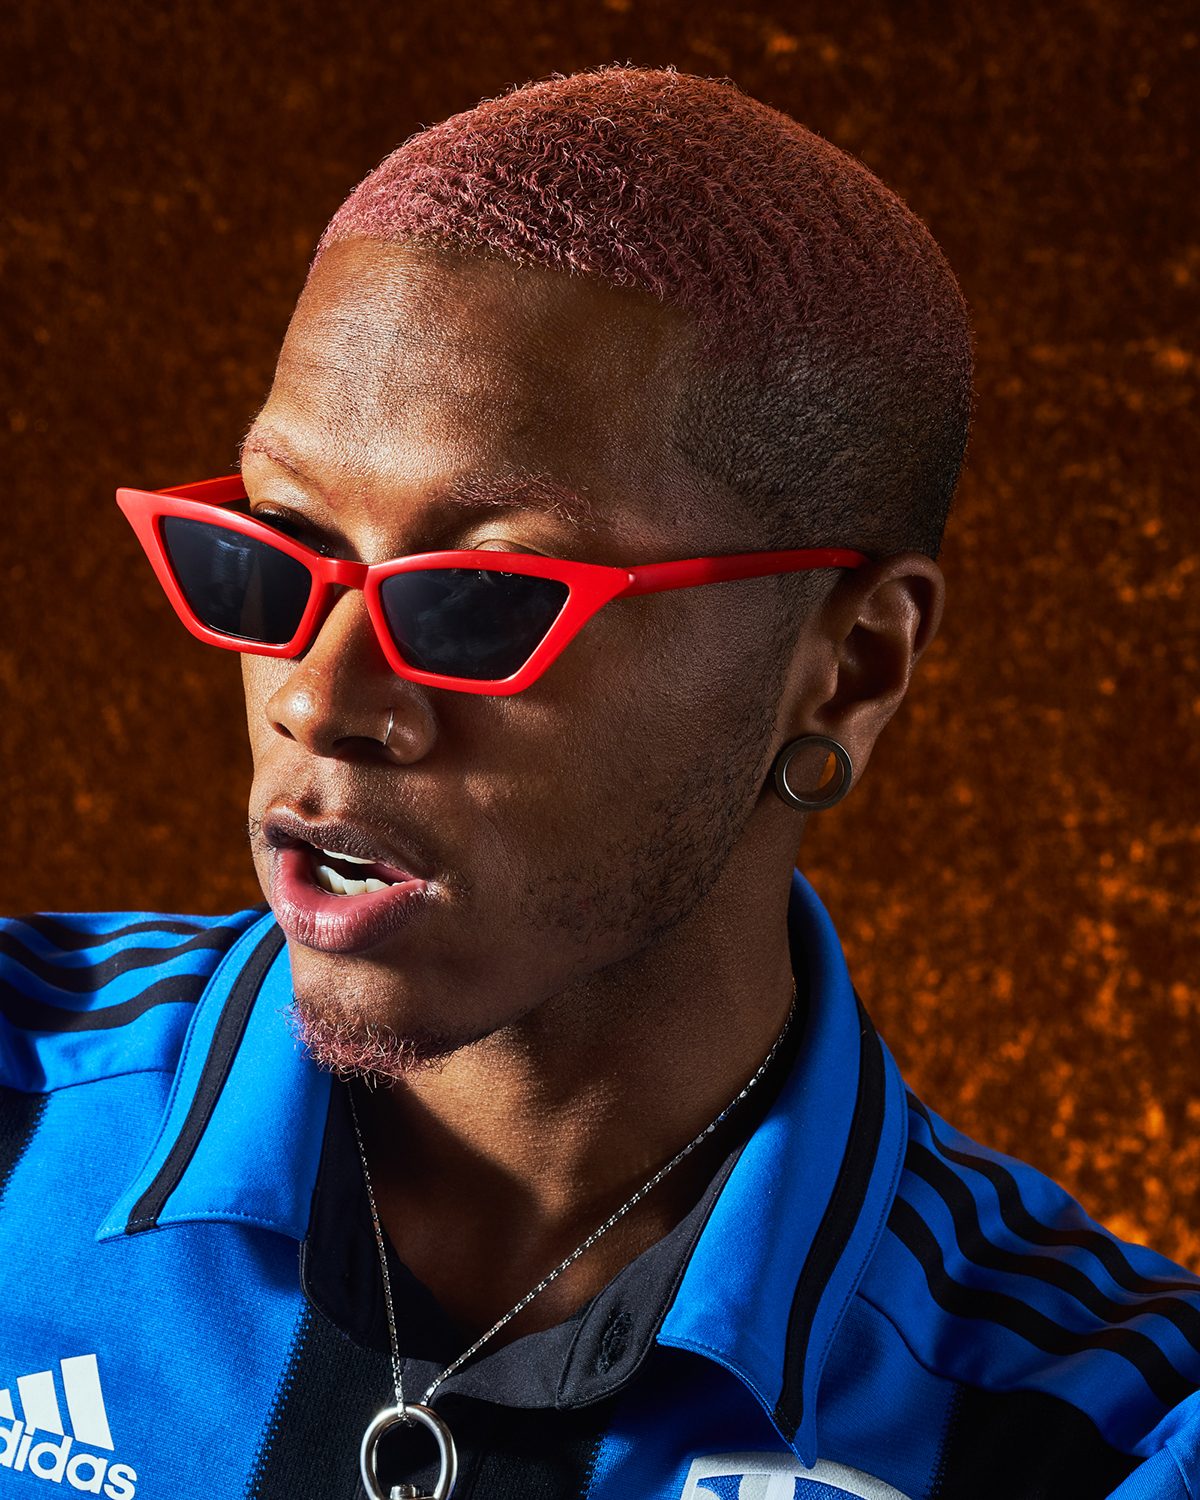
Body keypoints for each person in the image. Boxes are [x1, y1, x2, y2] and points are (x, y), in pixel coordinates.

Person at [0, 66, 1196, 1500]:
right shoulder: (21, 1093)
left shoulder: (1109, 1432)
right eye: (273, 549)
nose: (320, 700)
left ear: (849, 670)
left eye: (483, 598)